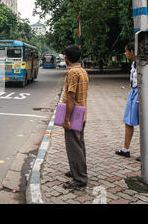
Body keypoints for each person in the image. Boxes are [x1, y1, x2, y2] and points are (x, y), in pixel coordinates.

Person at [62, 45, 89, 190]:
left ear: (67, 58)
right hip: (82, 111)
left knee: (74, 146)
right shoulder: (83, 71)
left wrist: (66, 119)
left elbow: (71, 97)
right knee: (79, 144)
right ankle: (77, 171)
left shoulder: (72, 72)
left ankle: (80, 178)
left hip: (74, 114)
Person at [115, 42, 141, 161]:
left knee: (143, 123)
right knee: (128, 121)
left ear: (131, 52)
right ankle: (125, 149)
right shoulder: (134, 63)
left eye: (126, 51)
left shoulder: (142, 64)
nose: (125, 53)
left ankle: (146, 152)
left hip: (140, 94)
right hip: (133, 93)